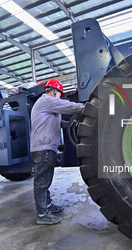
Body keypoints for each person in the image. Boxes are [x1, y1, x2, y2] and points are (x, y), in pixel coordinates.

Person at [30, 79, 84, 225]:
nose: (60, 97)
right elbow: (68, 106)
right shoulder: (46, 100)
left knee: (46, 179)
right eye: (60, 94)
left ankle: (47, 205)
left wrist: (68, 124)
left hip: (47, 147)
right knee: (41, 181)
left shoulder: (47, 105)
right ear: (53, 91)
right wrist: (87, 108)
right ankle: (42, 214)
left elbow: (57, 123)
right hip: (43, 148)